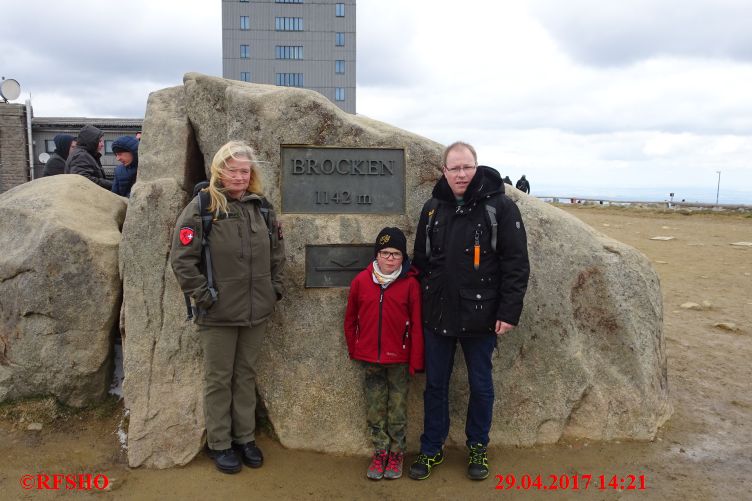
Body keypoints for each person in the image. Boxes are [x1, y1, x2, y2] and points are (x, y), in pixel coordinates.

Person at [410, 141, 529, 481]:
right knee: (435, 385)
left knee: (481, 385)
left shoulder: (500, 207)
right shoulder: (432, 208)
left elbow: (516, 263)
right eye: (454, 168)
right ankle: (432, 448)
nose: (461, 174)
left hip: (483, 314)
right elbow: (422, 260)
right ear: (444, 171)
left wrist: (508, 312)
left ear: (476, 167)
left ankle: (478, 446)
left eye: (467, 167)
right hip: (438, 314)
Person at [170, 140, 285, 474]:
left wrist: (274, 290)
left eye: (244, 171)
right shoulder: (203, 206)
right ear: (219, 170)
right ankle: (220, 443)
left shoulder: (261, 207)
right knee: (219, 378)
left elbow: (277, 252)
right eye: (232, 170)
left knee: (245, 376)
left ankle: (245, 438)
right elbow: (182, 260)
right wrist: (205, 297)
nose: (239, 177)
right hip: (217, 313)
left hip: (255, 312)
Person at [344, 227, 424, 481]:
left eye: (396, 254)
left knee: (398, 408)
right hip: (369, 357)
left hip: (399, 359)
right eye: (385, 253)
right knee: (375, 406)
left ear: (404, 258)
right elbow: (350, 318)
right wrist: (354, 347)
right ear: (376, 255)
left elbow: (417, 324)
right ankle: (380, 451)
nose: (390, 259)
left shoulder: (410, 284)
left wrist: (416, 360)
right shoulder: (361, 281)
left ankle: (397, 452)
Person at [65, 125, 112, 190]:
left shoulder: (87, 154)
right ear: (90, 140)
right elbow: (83, 179)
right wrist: (110, 184)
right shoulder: (81, 155)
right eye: (99, 141)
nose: (102, 145)